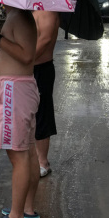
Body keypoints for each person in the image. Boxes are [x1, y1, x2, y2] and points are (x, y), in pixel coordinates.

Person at [0, 6, 40, 218]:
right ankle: (25, 209)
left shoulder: (21, 17)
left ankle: (17, 217)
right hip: (15, 88)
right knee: (25, 152)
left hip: (14, 90)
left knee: (18, 154)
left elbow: (27, 55)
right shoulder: (18, 16)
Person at [32, 10, 60, 178]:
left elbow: (45, 39)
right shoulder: (33, 11)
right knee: (32, 114)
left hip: (41, 68)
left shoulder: (48, 11)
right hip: (31, 68)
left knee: (41, 113)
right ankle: (35, 157)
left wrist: (25, 60)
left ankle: (43, 162)